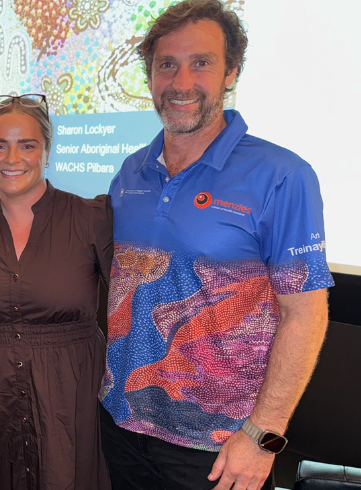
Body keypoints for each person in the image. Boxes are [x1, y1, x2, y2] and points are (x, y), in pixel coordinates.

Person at [99, 1, 334, 490]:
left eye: (201, 62)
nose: (181, 82)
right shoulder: (131, 171)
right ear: (150, 76)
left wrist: (263, 435)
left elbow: (305, 315)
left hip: (220, 449)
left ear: (231, 72)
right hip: (120, 427)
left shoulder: (281, 175)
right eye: (167, 64)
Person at [0, 94, 113, 490]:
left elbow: (134, 302)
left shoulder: (91, 219)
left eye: (27, 145)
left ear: (47, 152)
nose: (12, 158)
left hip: (70, 397)